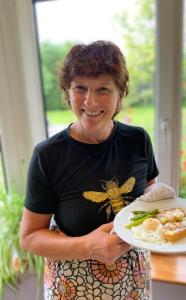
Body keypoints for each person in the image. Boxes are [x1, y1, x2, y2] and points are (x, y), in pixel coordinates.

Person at [20, 40, 159, 300]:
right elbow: (29, 237)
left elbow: (151, 196)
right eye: (79, 88)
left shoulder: (138, 140)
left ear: (120, 94)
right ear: (67, 92)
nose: (90, 100)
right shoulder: (48, 155)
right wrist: (88, 247)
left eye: (103, 89)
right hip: (74, 288)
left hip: (134, 284)